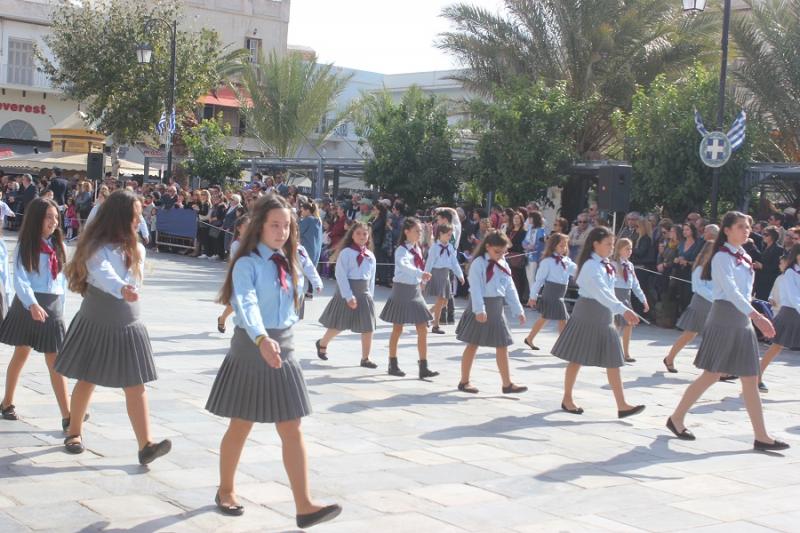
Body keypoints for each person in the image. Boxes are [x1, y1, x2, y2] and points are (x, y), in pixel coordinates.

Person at [206, 196, 341, 526]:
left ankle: (304, 505)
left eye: (287, 226)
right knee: (242, 423)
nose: (282, 232)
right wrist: (261, 337)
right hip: (253, 346)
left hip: (285, 346)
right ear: (259, 226)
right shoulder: (247, 264)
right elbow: (247, 303)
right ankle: (225, 489)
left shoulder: (291, 260)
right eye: (274, 225)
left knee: (292, 426)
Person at [54, 190, 171, 462]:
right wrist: (122, 288)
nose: (139, 221)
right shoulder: (95, 246)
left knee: (136, 383)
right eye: (135, 216)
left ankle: (146, 445)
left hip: (128, 321)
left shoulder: (137, 249)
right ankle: (74, 431)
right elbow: (103, 273)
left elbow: (133, 281)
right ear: (119, 217)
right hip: (98, 317)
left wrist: (128, 289)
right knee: (88, 377)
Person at [666, 211, 788, 451]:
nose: (746, 230)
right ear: (727, 230)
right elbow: (731, 291)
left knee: (750, 378)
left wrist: (752, 316)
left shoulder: (744, 255)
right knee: (711, 374)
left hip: (741, 318)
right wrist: (757, 316)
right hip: (725, 316)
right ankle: (676, 417)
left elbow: (744, 292)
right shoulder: (722, 256)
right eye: (741, 226)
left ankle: (761, 436)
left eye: (748, 226)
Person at [550, 226, 645, 418]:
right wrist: (623, 310)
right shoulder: (591, 266)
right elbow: (601, 292)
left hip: (604, 314)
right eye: (608, 244)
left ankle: (622, 405)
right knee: (577, 357)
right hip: (588, 313)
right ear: (595, 244)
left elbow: (608, 292)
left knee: (613, 359)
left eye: (612, 244)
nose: (612, 247)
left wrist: (622, 308)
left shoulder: (604, 264)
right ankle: (567, 398)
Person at [0, 198, 73, 430]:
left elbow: (61, 282)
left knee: (55, 360)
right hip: (28, 306)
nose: (54, 222)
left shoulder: (60, 247)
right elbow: (20, 278)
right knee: (21, 353)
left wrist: (61, 308)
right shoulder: (26, 246)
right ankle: (7, 402)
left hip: (52, 307)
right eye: (49, 217)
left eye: (56, 217)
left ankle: (68, 415)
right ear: (36, 219)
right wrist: (31, 303)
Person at [455, 230, 527, 394]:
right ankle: (464, 381)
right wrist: (479, 309)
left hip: (496, 308)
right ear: (487, 247)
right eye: (497, 251)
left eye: (503, 252)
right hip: (480, 306)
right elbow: (476, 289)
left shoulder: (503, 264)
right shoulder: (479, 263)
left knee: (502, 345)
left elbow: (510, 288)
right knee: (473, 344)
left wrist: (518, 310)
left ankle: (507, 384)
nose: (500, 255)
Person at [379, 217, 438, 379]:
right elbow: (405, 266)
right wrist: (420, 274)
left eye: (420, 231)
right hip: (402, 290)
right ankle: (392, 363)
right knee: (398, 328)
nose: (419, 233)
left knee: (422, 328)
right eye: (416, 231)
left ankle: (423, 366)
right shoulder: (401, 250)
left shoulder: (417, 248)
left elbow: (422, 262)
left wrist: (421, 280)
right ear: (406, 232)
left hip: (415, 290)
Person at [316, 222, 378, 369]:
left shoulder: (370, 256)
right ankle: (322, 343)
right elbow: (341, 275)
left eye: (365, 234)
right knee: (339, 324)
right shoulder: (346, 253)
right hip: (347, 291)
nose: (362, 236)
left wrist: (371, 296)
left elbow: (371, 279)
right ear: (352, 235)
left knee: (368, 327)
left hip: (364, 293)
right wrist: (348, 295)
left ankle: (365, 358)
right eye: (358, 233)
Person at [663, 241, 715, 373]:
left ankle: (716, 368)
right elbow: (698, 288)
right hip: (701, 303)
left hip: (714, 304)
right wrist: (716, 297)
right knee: (689, 334)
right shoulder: (699, 268)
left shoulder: (715, 268)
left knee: (713, 336)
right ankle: (669, 358)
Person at [758, 244, 800, 392]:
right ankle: (757, 376)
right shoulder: (790, 273)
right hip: (790, 314)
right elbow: (793, 298)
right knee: (776, 347)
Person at [524, 233, 575, 351]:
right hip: (551, 293)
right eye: (561, 245)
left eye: (565, 245)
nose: (564, 247)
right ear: (553, 246)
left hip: (560, 293)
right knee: (562, 317)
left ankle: (529, 338)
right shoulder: (547, 261)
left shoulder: (567, 261)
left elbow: (577, 270)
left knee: (545, 317)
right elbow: (539, 280)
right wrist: (533, 296)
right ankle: (563, 345)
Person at [612, 238, 649, 363]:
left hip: (626, 297)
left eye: (631, 249)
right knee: (616, 325)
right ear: (619, 249)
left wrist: (643, 299)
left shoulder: (630, 265)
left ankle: (626, 353)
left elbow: (635, 285)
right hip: (615, 296)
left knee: (628, 325)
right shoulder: (612, 264)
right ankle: (611, 351)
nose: (630, 251)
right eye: (627, 249)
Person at [424, 222, 464, 334]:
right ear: (441, 234)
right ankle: (435, 326)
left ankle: (427, 314)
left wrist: (460, 275)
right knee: (441, 299)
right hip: (437, 273)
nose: (450, 237)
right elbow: (429, 263)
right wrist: (424, 277)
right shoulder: (435, 247)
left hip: (446, 274)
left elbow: (454, 263)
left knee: (445, 302)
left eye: (451, 235)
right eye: (448, 234)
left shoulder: (450, 247)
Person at [217, 216, 251, 333]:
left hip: (251, 277)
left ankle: (224, 319)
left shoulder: (254, 242)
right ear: (239, 228)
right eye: (246, 226)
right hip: (239, 276)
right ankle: (223, 319)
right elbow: (239, 261)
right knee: (236, 303)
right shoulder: (236, 244)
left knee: (242, 302)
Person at [298, 199, 323, 297]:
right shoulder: (318, 220)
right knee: (312, 269)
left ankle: (303, 290)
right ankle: (310, 290)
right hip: (316, 248)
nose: (301, 212)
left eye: (302, 210)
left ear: (307, 210)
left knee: (302, 269)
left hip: (307, 247)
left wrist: (298, 219)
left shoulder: (308, 220)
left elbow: (299, 230)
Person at [753, 226, 784, 301]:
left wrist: (762, 266)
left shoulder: (778, 249)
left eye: (766, 234)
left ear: (773, 236)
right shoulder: (764, 247)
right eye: (763, 234)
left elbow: (776, 267)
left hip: (768, 282)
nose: (763, 236)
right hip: (760, 281)